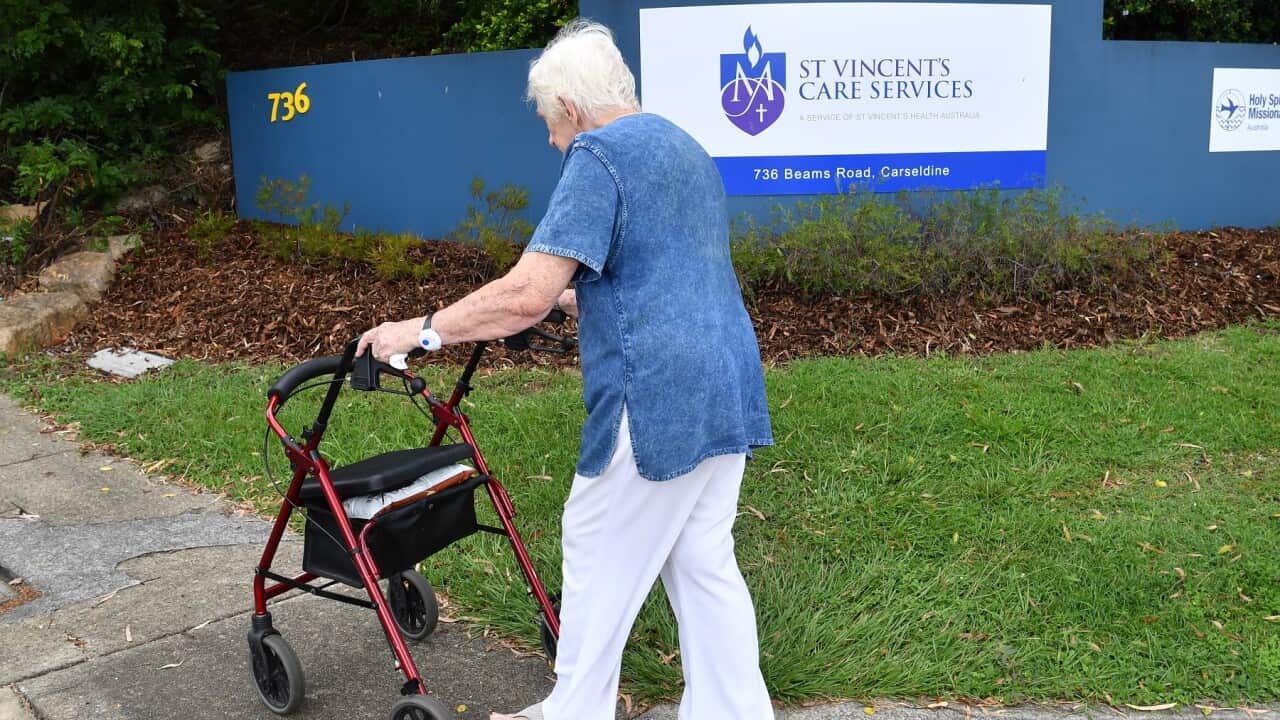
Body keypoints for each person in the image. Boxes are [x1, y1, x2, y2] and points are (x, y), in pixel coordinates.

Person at [357, 19, 775, 720]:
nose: (553, 141)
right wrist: (582, 298)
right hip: (727, 380)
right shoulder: (684, 146)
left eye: (550, 124)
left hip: (657, 395)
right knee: (703, 561)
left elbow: (524, 294)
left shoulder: (598, 155)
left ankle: (573, 712)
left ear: (572, 109)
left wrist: (418, 331)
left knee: (595, 543)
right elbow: (663, 269)